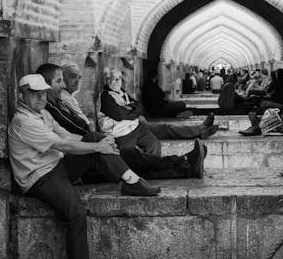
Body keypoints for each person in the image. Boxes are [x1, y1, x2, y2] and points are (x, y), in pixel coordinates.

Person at [8, 73, 204, 259]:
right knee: (76, 213)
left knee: (112, 150)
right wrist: (99, 144)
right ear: (22, 95)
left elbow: (68, 135)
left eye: (43, 92)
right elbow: (63, 144)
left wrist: (100, 142)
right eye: (35, 94)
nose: (41, 97)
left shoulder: (43, 113)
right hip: (41, 176)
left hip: (60, 162)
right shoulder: (24, 121)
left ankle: (133, 179)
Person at [37, 63, 206, 177]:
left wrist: (94, 135)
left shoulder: (57, 103)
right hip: (88, 153)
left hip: (101, 142)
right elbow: (72, 134)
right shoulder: (48, 109)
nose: (65, 85)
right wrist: (96, 142)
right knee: (133, 161)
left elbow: (138, 107)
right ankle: (185, 165)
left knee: (138, 156)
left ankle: (185, 162)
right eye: (59, 81)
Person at [99, 67, 218, 156]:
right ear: (107, 80)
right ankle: (198, 130)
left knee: (166, 128)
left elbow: (139, 107)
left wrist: (132, 111)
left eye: (119, 78)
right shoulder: (106, 96)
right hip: (125, 132)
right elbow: (121, 115)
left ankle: (200, 129)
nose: (116, 81)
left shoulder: (123, 93)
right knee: (172, 117)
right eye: (113, 79)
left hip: (137, 126)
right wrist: (134, 111)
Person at [58, 63, 96, 133]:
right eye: (72, 77)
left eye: (79, 78)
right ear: (62, 79)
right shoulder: (63, 96)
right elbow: (88, 125)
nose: (78, 81)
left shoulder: (68, 96)